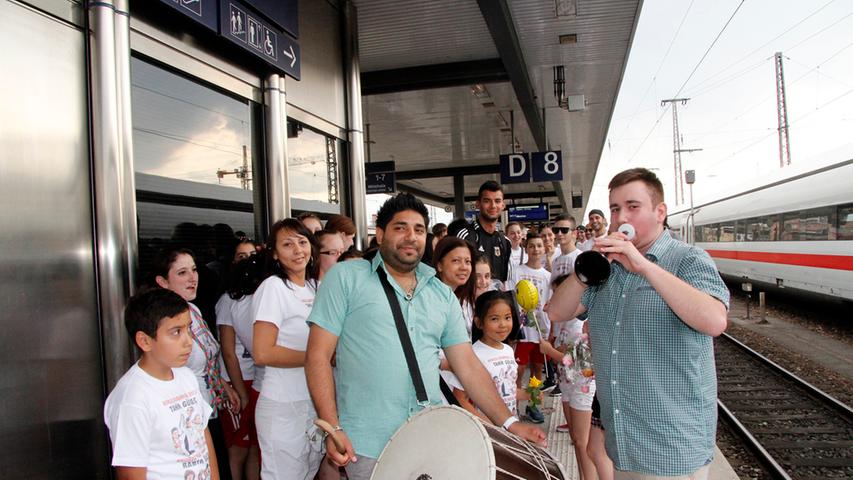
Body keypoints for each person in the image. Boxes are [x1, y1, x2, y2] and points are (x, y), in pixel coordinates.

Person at [305, 193, 546, 480]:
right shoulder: (346, 278)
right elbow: (318, 356)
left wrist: (508, 423)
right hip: (368, 440)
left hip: (432, 433)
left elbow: (466, 365)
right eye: (400, 227)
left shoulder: (441, 293)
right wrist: (333, 427)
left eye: (419, 229)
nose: (411, 236)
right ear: (380, 234)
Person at [548, 168, 729, 479]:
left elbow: (714, 320)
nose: (621, 218)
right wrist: (585, 270)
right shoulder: (607, 270)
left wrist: (644, 267)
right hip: (623, 445)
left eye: (633, 207)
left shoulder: (689, 260)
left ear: (660, 212)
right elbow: (556, 311)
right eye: (615, 208)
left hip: (672, 447)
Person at [104, 288, 219, 479]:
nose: (189, 341)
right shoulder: (132, 399)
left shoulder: (186, 376)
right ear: (145, 341)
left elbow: (203, 437)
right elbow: (130, 473)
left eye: (188, 328)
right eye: (176, 332)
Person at [153, 247, 240, 473]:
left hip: (210, 407)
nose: (193, 278)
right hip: (187, 416)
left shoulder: (193, 309)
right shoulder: (163, 321)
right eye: (182, 273)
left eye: (193, 270)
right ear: (162, 281)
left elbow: (205, 360)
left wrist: (223, 385)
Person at [252, 219, 323, 480]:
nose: (298, 250)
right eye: (287, 244)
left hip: (312, 400)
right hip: (283, 404)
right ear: (274, 253)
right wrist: (318, 358)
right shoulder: (273, 288)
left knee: (308, 473)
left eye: (302, 242)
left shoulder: (316, 288)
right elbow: (263, 352)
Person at [540, 274, 598, 480]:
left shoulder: (581, 322)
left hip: (583, 389)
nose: (557, 298)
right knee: (576, 438)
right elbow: (566, 348)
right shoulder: (565, 322)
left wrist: (549, 350)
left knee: (583, 443)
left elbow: (571, 360)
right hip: (568, 386)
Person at [444, 291, 535, 420]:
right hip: (489, 432)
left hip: (510, 425)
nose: (503, 324)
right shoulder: (472, 354)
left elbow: (506, 391)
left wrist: (528, 394)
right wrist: (486, 424)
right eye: (494, 319)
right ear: (479, 322)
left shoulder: (508, 350)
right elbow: (460, 397)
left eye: (507, 317)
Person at [216, 251, 267, 480]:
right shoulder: (230, 300)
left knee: (255, 446)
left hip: (256, 380)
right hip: (236, 381)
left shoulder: (263, 298)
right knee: (238, 448)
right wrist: (239, 391)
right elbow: (228, 352)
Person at [506, 231, 551, 424]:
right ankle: (513, 406)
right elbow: (509, 297)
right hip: (522, 332)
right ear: (526, 248)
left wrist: (551, 333)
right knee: (518, 370)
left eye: (539, 246)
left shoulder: (548, 276)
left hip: (541, 331)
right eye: (532, 246)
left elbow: (551, 304)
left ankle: (533, 405)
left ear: (544, 249)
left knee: (536, 370)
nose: (535, 249)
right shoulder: (516, 271)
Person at [456, 181, 512, 284]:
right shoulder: (465, 236)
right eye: (487, 201)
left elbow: (505, 281)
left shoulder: (505, 242)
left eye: (497, 201)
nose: (493, 206)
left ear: (503, 205)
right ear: (478, 204)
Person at [433, 236, 477, 337]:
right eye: (456, 261)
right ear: (439, 265)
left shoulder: (466, 300)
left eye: (467, 262)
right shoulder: (431, 301)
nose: (464, 267)